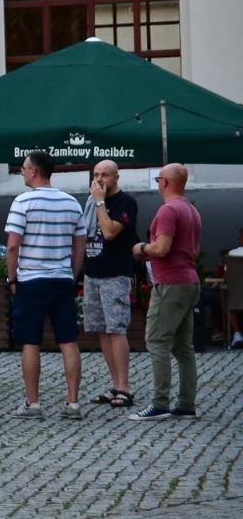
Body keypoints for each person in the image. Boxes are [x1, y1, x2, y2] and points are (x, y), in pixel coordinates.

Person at [5, 150, 87, 419]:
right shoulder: (72, 203)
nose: (22, 172)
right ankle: (73, 403)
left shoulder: (22, 202)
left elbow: (13, 246)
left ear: (34, 171)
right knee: (68, 340)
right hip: (62, 278)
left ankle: (33, 403)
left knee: (31, 341)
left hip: (31, 280)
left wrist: (12, 278)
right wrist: (72, 274)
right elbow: (79, 246)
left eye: (24, 168)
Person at [130, 164, 202, 420]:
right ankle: (186, 404)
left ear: (164, 182)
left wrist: (141, 248)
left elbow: (161, 248)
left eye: (159, 179)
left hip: (170, 283)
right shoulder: (191, 210)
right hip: (190, 280)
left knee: (156, 341)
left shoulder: (168, 210)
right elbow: (194, 251)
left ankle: (160, 403)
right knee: (183, 347)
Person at [81, 160, 139, 409]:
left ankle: (124, 387)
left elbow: (109, 232)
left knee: (116, 329)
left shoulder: (125, 203)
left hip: (115, 274)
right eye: (96, 174)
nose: (99, 179)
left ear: (116, 177)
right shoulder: (90, 202)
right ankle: (115, 384)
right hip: (93, 273)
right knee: (102, 330)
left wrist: (100, 202)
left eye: (105, 174)